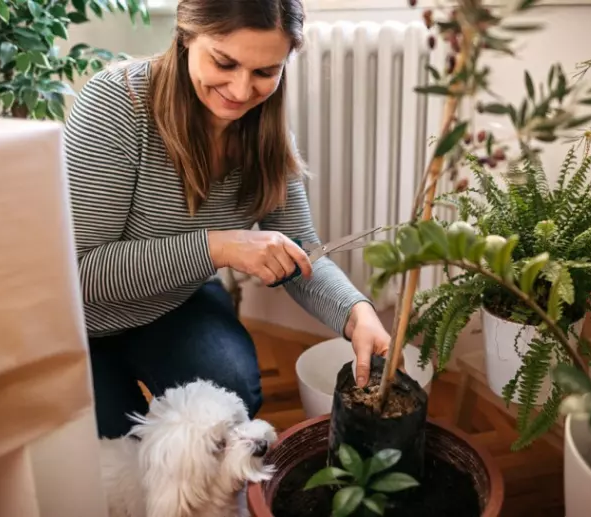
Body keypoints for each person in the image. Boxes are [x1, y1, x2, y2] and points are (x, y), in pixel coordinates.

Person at [64, 0, 392, 439]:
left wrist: (357, 314)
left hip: (172, 302)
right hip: (80, 324)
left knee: (230, 399)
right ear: (185, 37)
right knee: (115, 449)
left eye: (264, 73)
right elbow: (79, 274)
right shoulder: (115, 104)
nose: (240, 92)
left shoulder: (267, 136)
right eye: (224, 62)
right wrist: (218, 247)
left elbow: (302, 250)